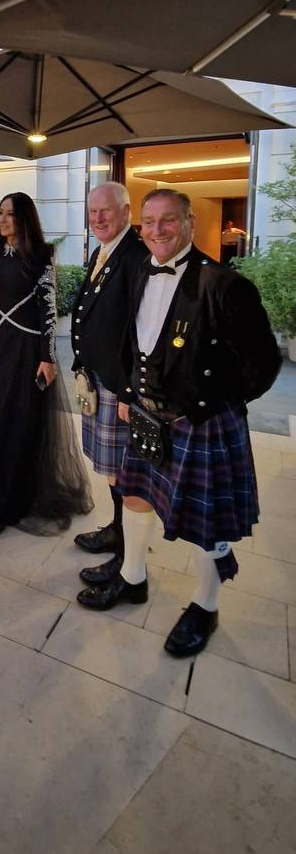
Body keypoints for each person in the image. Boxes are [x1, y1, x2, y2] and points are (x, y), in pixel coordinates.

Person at [77, 189, 281, 659]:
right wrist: (130, 394)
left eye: (168, 220)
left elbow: (263, 364)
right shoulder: (140, 270)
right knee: (134, 495)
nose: (157, 230)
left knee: (204, 519)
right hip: (147, 412)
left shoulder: (225, 285)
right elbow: (133, 341)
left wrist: (213, 406)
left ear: (189, 222)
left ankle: (205, 606)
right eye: (149, 222)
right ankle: (132, 578)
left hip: (200, 419)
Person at [0, 193, 93, 537]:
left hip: (28, 349)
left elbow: (48, 309)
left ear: (25, 218)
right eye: (1, 214)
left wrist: (48, 357)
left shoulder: (40, 255)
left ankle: (21, 492)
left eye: (11, 214)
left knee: (23, 417)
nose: (3, 220)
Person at [71, 183, 147, 583]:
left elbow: (140, 330)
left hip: (119, 383)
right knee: (110, 466)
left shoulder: (135, 256)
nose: (98, 219)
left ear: (126, 212)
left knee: (123, 470)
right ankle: (117, 529)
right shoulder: (104, 251)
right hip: (99, 376)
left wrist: (128, 391)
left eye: (106, 211)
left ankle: (127, 554)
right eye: (93, 212)